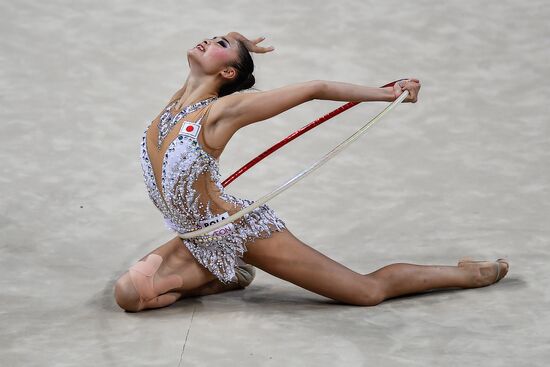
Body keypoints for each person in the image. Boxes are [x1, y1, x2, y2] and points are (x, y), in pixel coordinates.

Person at [114, 32, 509, 312]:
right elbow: (225, 57)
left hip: (232, 227)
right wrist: (239, 40)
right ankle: (225, 275)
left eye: (220, 45)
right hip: (193, 234)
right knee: (127, 296)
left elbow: (314, 88)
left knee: (364, 292)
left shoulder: (222, 112)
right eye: (214, 37)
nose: (209, 40)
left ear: (229, 75)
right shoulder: (175, 104)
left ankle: (467, 274)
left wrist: (389, 92)